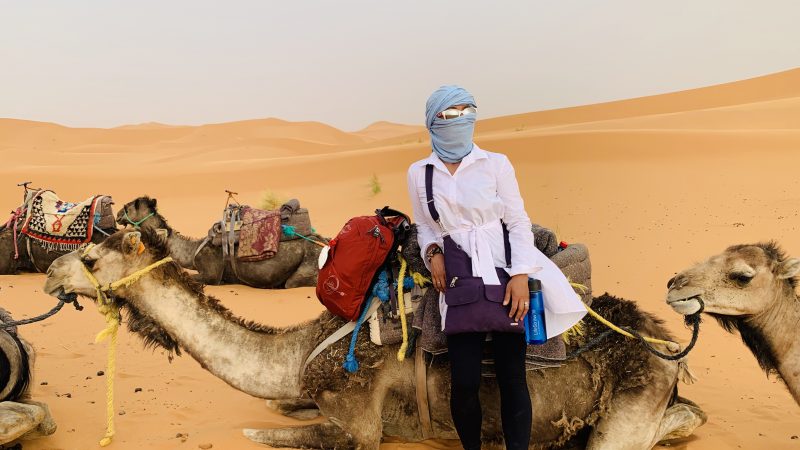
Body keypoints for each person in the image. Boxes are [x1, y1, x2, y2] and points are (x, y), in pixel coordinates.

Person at [406, 85, 536, 450]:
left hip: (502, 267)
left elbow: (518, 221)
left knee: (513, 378)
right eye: (449, 115)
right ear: (432, 122)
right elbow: (425, 225)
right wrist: (433, 253)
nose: (459, 121)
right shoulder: (420, 172)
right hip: (459, 276)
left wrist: (521, 274)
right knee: (464, 381)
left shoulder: (496, 163)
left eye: (466, 112)